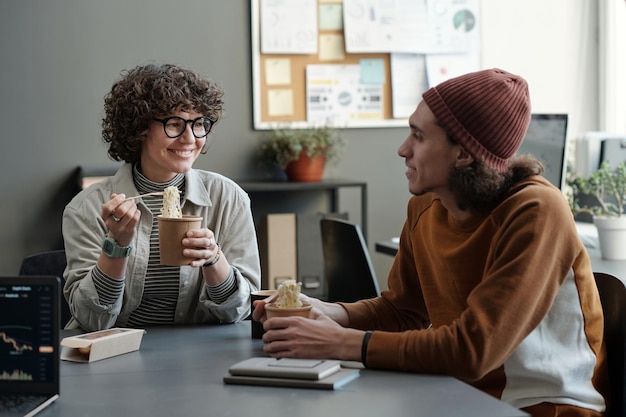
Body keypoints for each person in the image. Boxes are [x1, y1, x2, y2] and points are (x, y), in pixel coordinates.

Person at [253, 69, 609, 417]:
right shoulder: (425, 205)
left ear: (464, 153)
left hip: (543, 404)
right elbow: (402, 311)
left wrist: (339, 342)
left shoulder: (537, 210)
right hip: (456, 391)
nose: (402, 149)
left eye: (418, 136)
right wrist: (330, 313)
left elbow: (474, 350)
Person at [63, 63, 261, 331]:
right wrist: (116, 246)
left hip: (200, 353)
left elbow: (239, 311)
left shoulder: (229, 199)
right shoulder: (87, 208)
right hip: (118, 353)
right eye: (174, 124)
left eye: (199, 124)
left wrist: (214, 258)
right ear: (139, 128)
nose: (190, 138)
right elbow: (92, 320)